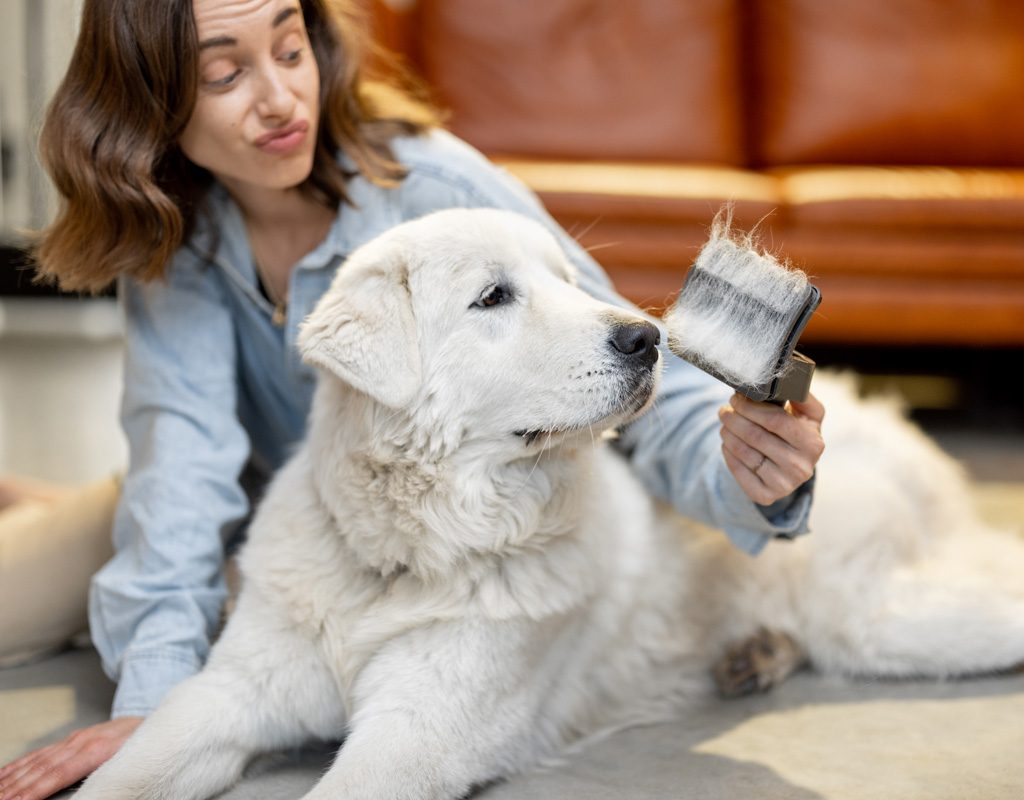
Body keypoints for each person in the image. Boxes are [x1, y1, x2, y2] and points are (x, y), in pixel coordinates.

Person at [0, 0, 826, 798]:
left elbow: (642, 374)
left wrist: (751, 477)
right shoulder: (173, 234)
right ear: (153, 104)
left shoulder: (440, 191)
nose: (281, 98)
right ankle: (46, 509)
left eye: (290, 51)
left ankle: (47, 509)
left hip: (396, 521)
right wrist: (151, 703)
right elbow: (177, 478)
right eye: (224, 75)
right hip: (267, 518)